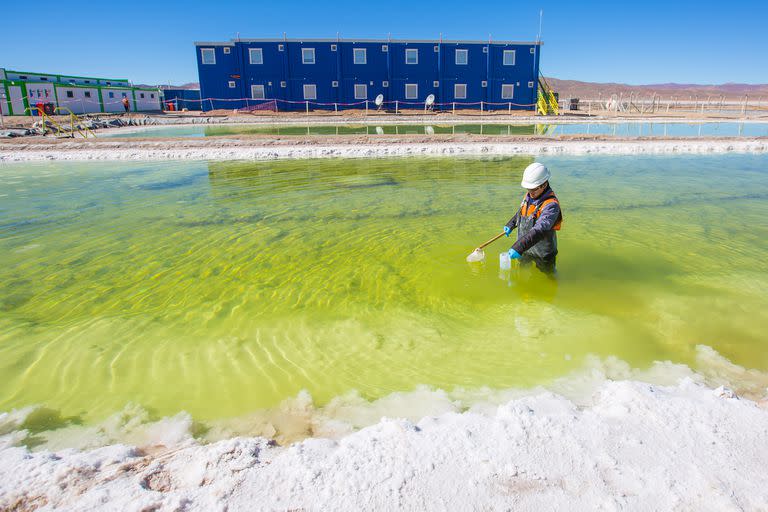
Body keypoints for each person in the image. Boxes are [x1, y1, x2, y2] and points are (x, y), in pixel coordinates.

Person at [503, 162, 563, 275]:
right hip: (525, 248)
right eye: (528, 189)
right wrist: (511, 224)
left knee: (548, 276)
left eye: (533, 189)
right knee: (522, 272)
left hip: (542, 252)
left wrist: (518, 247)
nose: (530, 193)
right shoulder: (530, 195)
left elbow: (540, 229)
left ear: (544, 185)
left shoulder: (551, 205)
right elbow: (521, 212)